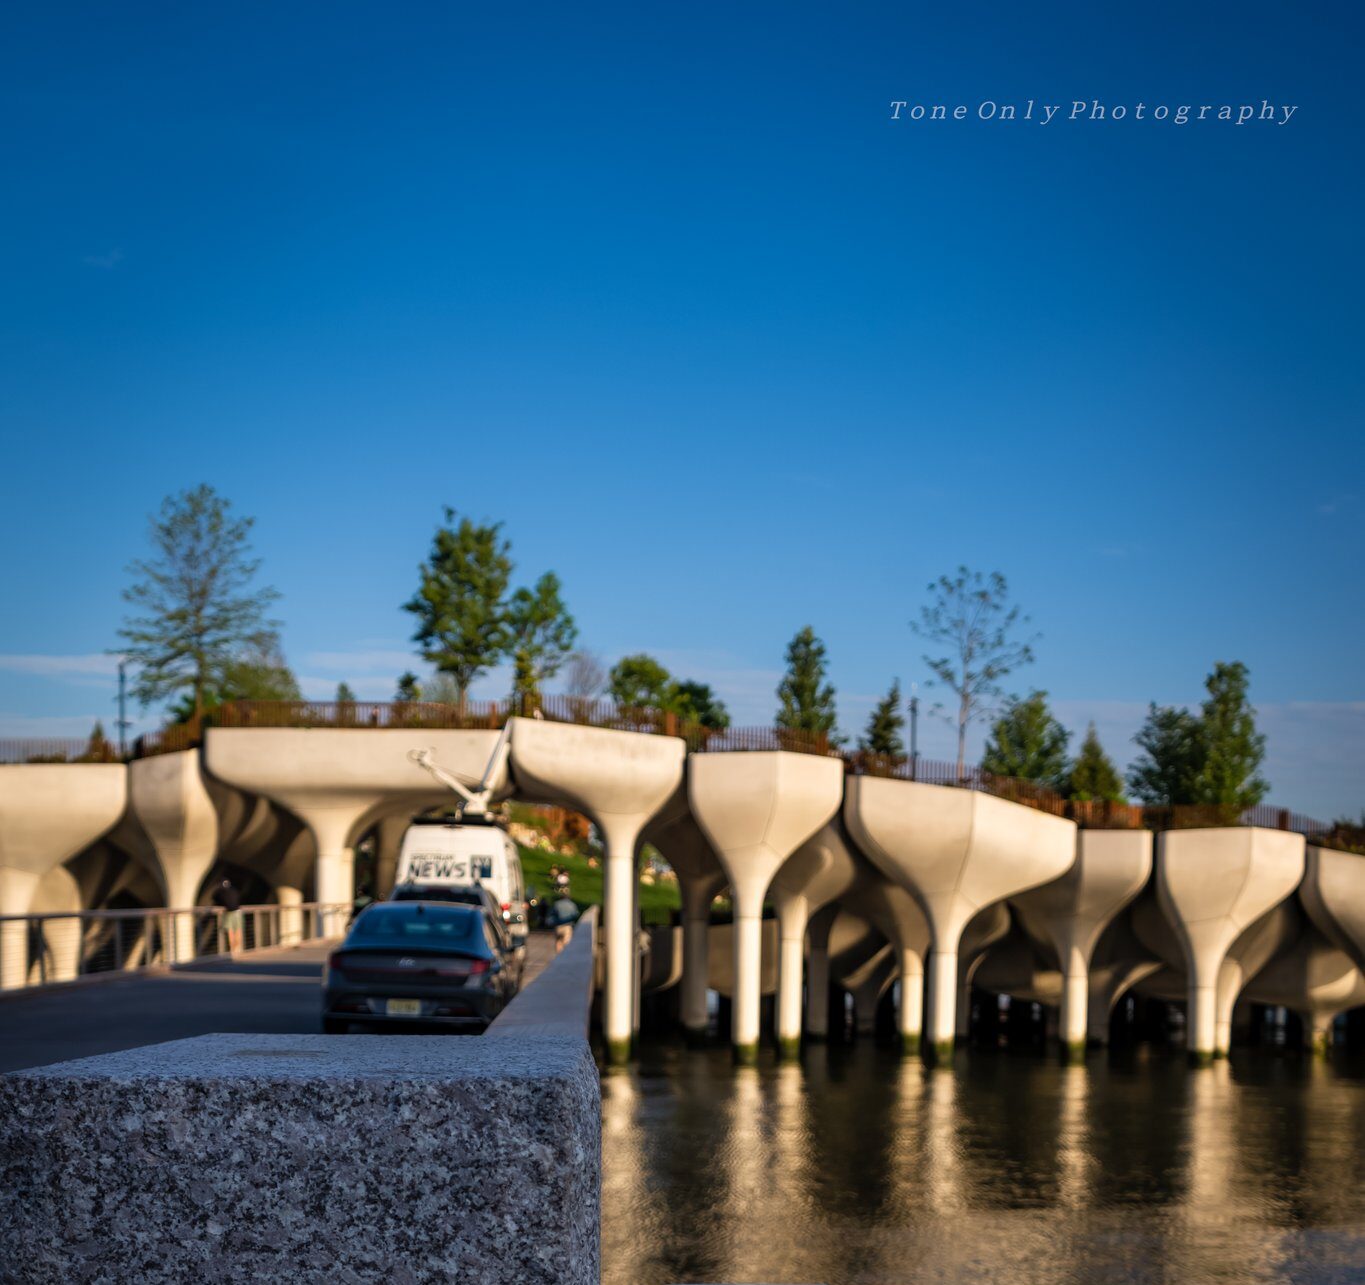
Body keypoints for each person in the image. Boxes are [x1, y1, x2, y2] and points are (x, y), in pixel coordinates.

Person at [212, 877, 243, 955]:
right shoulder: (234, 890)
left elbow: (215, 898)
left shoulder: (220, 892)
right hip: (238, 912)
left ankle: (232, 950)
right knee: (238, 930)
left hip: (229, 912)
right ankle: (238, 949)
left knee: (230, 931)